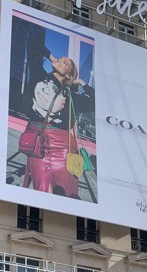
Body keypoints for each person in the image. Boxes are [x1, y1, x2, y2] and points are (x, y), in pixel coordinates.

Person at [19, 55, 95, 199]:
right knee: (42, 190)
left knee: (65, 194)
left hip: (64, 148)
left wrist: (81, 83)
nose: (60, 60)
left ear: (68, 74)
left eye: (65, 62)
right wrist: (51, 57)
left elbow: (95, 102)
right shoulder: (39, 76)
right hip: (40, 143)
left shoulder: (71, 96)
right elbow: (35, 45)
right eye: (59, 58)